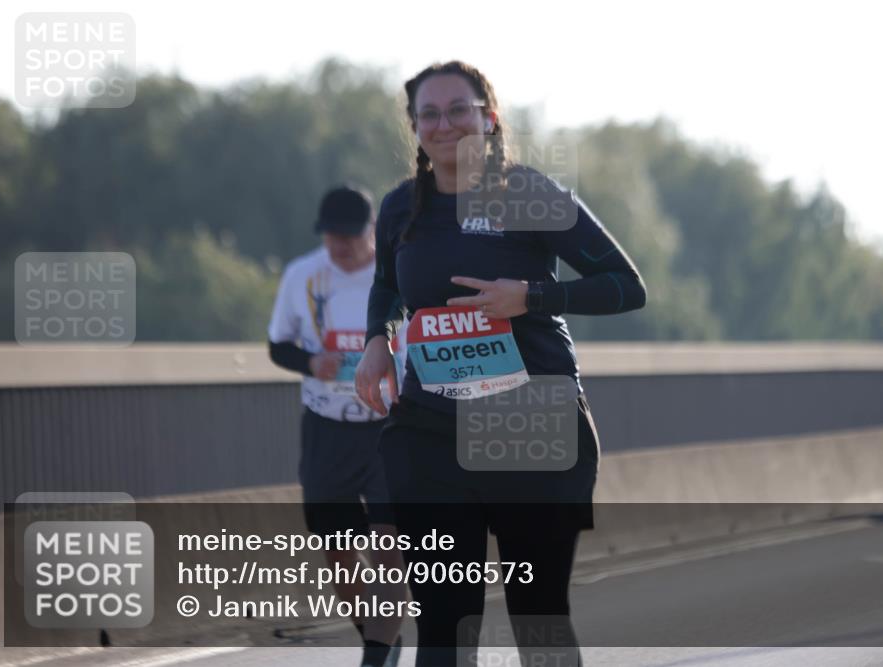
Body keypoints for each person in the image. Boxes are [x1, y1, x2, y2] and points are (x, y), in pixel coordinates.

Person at [354, 62, 646, 667]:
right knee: (443, 623)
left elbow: (625, 286)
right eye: (428, 113)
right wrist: (377, 340)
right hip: (431, 433)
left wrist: (532, 297)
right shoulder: (398, 209)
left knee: (538, 616)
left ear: (487, 118)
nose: (444, 124)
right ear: (413, 127)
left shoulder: (530, 193)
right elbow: (386, 286)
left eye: (458, 109)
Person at [268, 185, 407, 667]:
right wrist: (311, 361)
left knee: (391, 547)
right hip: (327, 428)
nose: (339, 246)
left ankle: (377, 654)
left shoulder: (394, 275)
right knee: (339, 554)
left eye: (348, 236)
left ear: (371, 231)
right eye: (331, 237)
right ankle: (382, 638)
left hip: (389, 426)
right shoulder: (302, 276)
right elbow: (277, 346)